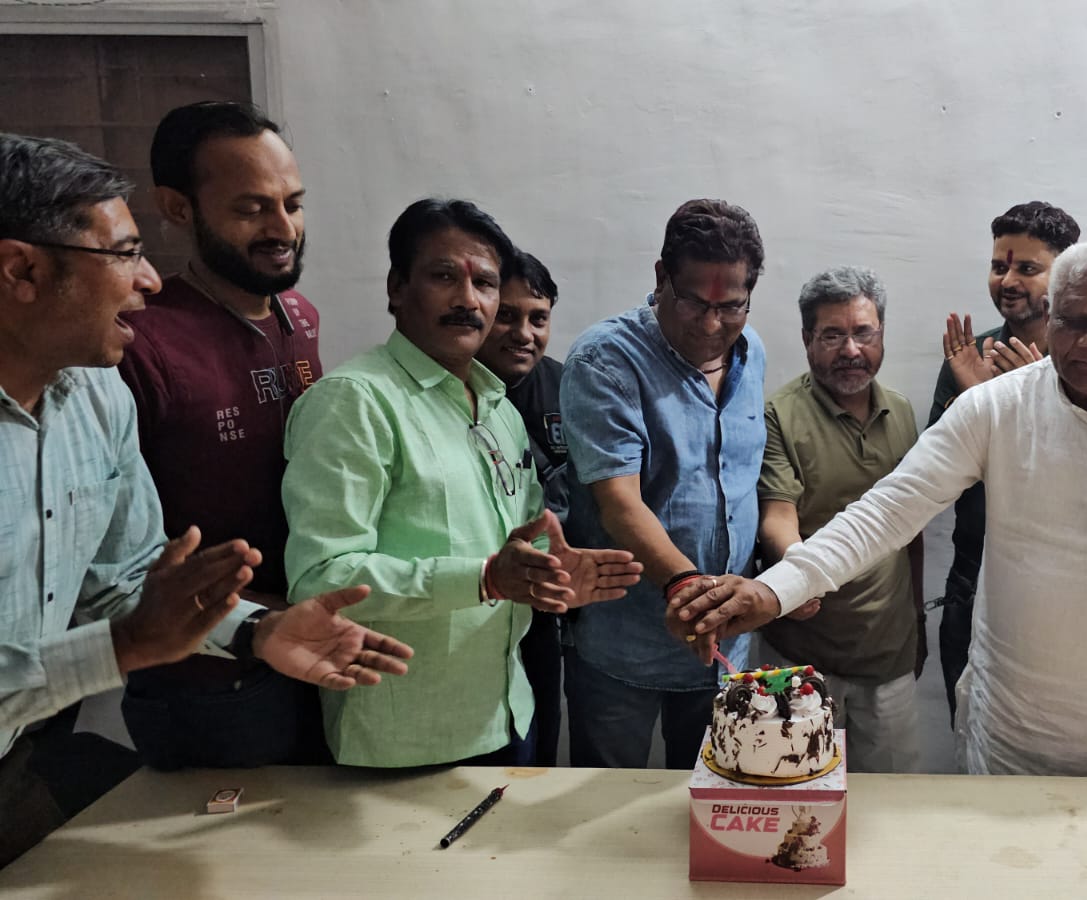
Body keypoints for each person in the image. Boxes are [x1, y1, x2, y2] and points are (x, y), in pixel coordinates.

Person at [671, 239, 1087, 779]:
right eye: (1073, 321)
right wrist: (774, 590)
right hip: (1017, 737)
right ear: (1049, 316)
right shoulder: (996, 408)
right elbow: (887, 511)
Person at [0, 132, 411, 865]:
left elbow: (127, 577)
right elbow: (126, 627)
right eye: (123, 254)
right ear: (21, 269)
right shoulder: (152, 354)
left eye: (293, 204)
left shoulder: (95, 395)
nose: (149, 282)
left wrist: (257, 631)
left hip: (28, 746)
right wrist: (127, 646)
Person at [281, 199, 640, 768]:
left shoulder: (498, 407)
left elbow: (522, 541)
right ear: (397, 288)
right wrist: (483, 579)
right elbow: (319, 580)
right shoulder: (356, 402)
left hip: (508, 711)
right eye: (445, 276)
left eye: (485, 283)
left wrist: (547, 574)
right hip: (407, 738)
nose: (469, 300)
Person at [116, 101, 332, 769]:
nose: (283, 229)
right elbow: (118, 547)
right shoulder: (137, 342)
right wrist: (257, 619)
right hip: (210, 676)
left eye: (293, 204)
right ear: (177, 208)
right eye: (251, 209)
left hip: (313, 639)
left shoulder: (299, 315)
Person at [559, 199, 768, 769]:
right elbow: (618, 501)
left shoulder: (751, 353)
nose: (711, 324)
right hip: (626, 646)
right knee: (607, 799)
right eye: (694, 301)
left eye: (731, 306)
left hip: (725, 648)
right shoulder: (605, 361)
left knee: (712, 800)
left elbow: (744, 480)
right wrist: (685, 586)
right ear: (660, 278)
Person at [756, 266, 922, 773]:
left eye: (863, 332)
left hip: (889, 656)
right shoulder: (779, 414)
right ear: (807, 339)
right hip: (802, 657)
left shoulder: (902, 413)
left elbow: (911, 530)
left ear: (881, 333)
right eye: (832, 335)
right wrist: (801, 577)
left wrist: (918, 620)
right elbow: (777, 516)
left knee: (891, 801)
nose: (851, 350)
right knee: (794, 794)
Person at [927, 201, 1080, 721]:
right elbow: (936, 481)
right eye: (999, 266)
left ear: (1066, 276)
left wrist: (1031, 407)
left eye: (1027, 268)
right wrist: (977, 403)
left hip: (1059, 588)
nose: (1008, 281)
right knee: (970, 737)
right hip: (972, 585)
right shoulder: (970, 358)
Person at [475, 248, 567, 767]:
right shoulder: (457, 393)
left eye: (538, 318)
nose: (523, 333)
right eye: (507, 316)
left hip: (544, 607)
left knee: (539, 747)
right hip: (474, 601)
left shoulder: (568, 386)